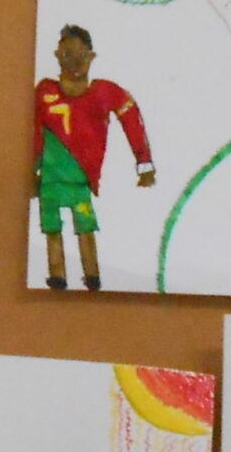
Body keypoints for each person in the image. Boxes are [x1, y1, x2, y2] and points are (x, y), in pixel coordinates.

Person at [32, 24, 154, 290]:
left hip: (80, 183)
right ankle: (57, 277)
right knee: (51, 229)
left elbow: (131, 117)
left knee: (85, 228)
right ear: (57, 56)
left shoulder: (104, 93)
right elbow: (33, 132)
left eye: (81, 56)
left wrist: (144, 162)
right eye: (67, 55)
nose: (74, 63)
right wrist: (31, 171)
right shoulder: (44, 92)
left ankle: (93, 277)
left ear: (91, 57)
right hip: (49, 181)